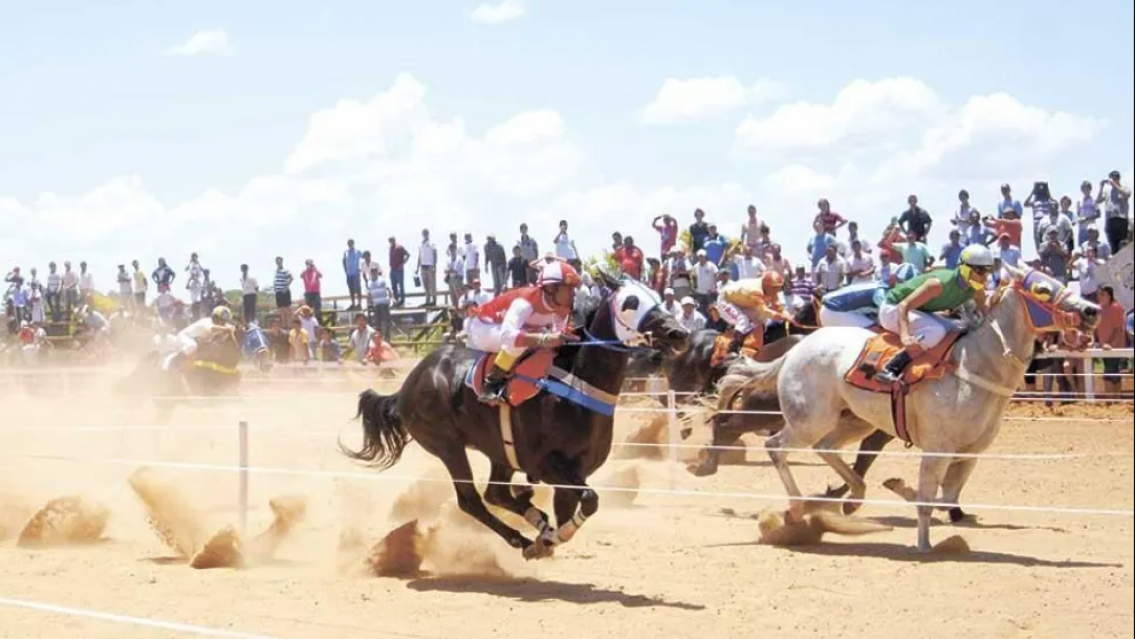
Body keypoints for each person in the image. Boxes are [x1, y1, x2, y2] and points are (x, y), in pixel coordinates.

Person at [464, 261, 583, 405]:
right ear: (552, 288)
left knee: (540, 339)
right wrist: (544, 338)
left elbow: (557, 337)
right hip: (483, 325)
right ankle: (491, 384)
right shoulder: (524, 303)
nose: (573, 293)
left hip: (514, 327)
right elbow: (507, 336)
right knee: (522, 341)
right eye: (569, 288)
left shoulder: (563, 307)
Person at [874, 244, 995, 384]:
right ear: (965, 268)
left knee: (959, 329)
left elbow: (985, 314)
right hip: (892, 308)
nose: (985, 277)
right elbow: (903, 306)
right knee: (937, 330)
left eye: (988, 271)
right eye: (980, 270)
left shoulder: (975, 289)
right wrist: (905, 336)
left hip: (918, 311)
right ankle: (892, 367)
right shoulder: (937, 284)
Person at [819, 263, 916, 329]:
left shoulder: (880, 285)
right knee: (877, 335)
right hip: (833, 311)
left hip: (831, 307)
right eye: (901, 282)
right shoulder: (881, 291)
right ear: (892, 278)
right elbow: (885, 315)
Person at [715, 272, 790, 352]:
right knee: (743, 319)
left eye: (778, 287)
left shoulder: (770, 290)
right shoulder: (756, 291)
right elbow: (766, 312)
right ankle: (733, 348)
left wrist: (791, 317)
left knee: (760, 320)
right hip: (725, 300)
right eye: (775, 287)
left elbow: (778, 307)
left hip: (741, 301)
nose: (777, 290)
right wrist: (784, 317)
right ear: (767, 285)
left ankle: (754, 347)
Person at [164, 305, 234, 371]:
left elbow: (231, 327)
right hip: (184, 337)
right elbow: (212, 328)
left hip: (197, 342)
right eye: (220, 320)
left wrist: (235, 328)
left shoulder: (222, 325)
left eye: (224, 321)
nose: (222, 323)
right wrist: (227, 329)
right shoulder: (207, 321)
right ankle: (174, 363)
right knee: (192, 345)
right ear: (215, 317)